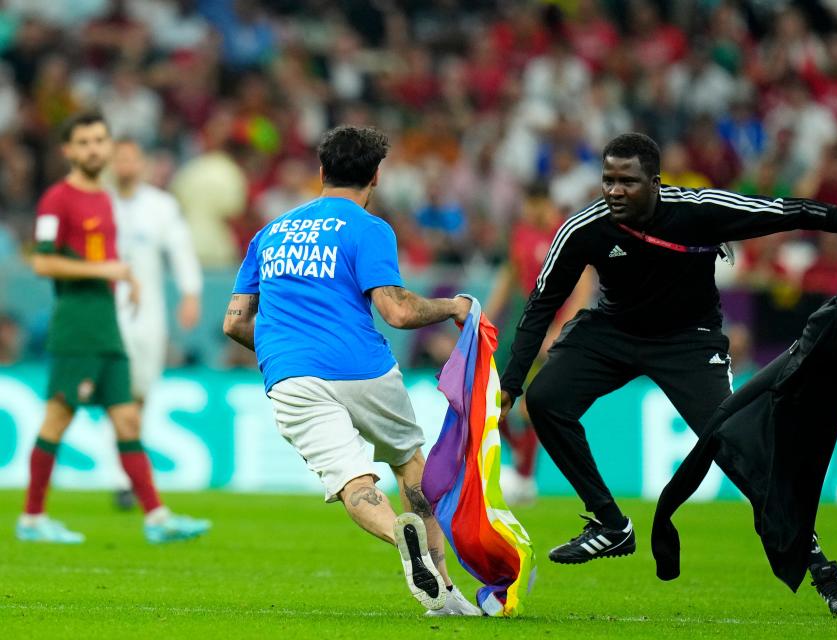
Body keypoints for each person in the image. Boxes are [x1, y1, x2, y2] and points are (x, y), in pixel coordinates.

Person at [497, 132, 837, 616]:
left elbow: (788, 211)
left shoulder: (701, 211)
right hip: (612, 331)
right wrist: (512, 384)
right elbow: (540, 304)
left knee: (740, 451)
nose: (615, 190)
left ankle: (821, 569)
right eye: (608, 179)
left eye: (628, 181)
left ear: (656, 183)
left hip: (689, 342)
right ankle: (609, 524)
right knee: (545, 400)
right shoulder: (585, 227)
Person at [223, 125, 480, 616]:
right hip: (364, 367)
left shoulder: (269, 233)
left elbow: (234, 322)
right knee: (408, 465)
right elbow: (398, 312)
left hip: (292, 375)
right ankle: (445, 593)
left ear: (321, 172)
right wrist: (452, 306)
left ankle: (395, 535)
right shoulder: (369, 229)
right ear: (376, 177)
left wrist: (285, 345)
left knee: (354, 482)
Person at [16, 111, 211, 544]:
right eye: (83, 142)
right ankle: (31, 517)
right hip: (79, 326)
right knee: (57, 419)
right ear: (68, 151)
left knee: (127, 421)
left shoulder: (104, 200)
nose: (94, 149)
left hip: (109, 325)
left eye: (99, 140)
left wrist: (126, 278)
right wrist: (106, 269)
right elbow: (42, 260)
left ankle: (156, 517)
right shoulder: (58, 199)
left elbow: (106, 261)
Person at [109, 137, 203, 510]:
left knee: (141, 394)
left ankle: (127, 470)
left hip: (148, 316)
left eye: (131, 159)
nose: (125, 166)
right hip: (108, 312)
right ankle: (122, 478)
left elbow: (180, 250)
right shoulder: (100, 203)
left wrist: (191, 293)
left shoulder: (161, 206)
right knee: (117, 392)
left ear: (142, 164)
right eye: (119, 160)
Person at [485, 184, 593, 505]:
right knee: (493, 399)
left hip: (557, 331)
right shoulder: (521, 234)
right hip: (524, 328)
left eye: (535, 205)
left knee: (533, 403)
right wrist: (483, 321)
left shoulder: (567, 234)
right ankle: (520, 458)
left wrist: (560, 330)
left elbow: (583, 287)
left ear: (547, 202)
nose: (531, 212)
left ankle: (526, 478)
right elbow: (508, 280)